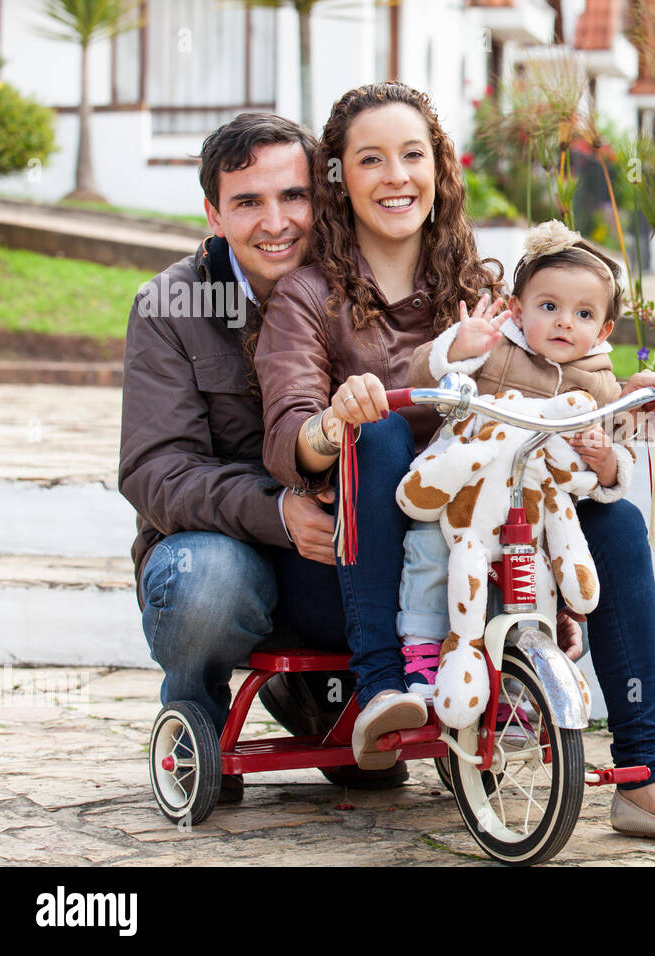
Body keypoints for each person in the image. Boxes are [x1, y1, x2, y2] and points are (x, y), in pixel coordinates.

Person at [256, 81, 655, 852]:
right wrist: (338, 416)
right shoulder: (307, 296)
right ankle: (385, 686)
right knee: (383, 433)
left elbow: (577, 376)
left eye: (412, 155)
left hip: (483, 532)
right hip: (364, 562)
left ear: (439, 166)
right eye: (371, 159)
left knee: (615, 522)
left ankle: (644, 777)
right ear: (338, 177)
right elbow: (290, 438)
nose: (396, 177)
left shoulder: (485, 289)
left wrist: (614, 419)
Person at [118, 112, 406, 802]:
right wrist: (278, 509)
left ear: (322, 198)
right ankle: (197, 712)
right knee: (207, 583)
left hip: (343, 541)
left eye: (294, 196)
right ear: (214, 214)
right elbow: (154, 470)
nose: (276, 221)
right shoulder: (173, 304)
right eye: (248, 202)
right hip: (223, 543)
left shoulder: (355, 286)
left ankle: (329, 701)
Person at [394, 218, 639, 700]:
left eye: (584, 314)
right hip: (464, 492)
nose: (565, 322)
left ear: (605, 329)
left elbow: (621, 448)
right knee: (428, 550)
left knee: (534, 579)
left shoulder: (599, 381)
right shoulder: (497, 347)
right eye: (549, 307)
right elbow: (424, 374)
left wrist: (606, 461)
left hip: (536, 507)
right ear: (517, 309)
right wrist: (458, 351)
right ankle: (421, 647)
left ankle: (520, 671)